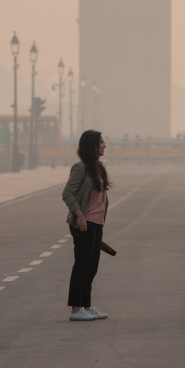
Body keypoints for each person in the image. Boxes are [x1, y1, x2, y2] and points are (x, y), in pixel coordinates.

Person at [61, 130, 111, 321]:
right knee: (82, 266)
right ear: (91, 146)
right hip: (84, 223)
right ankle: (75, 309)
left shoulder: (98, 168)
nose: (104, 145)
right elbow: (67, 193)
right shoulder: (80, 167)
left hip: (96, 223)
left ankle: (86, 307)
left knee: (92, 267)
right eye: (101, 142)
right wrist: (80, 216)